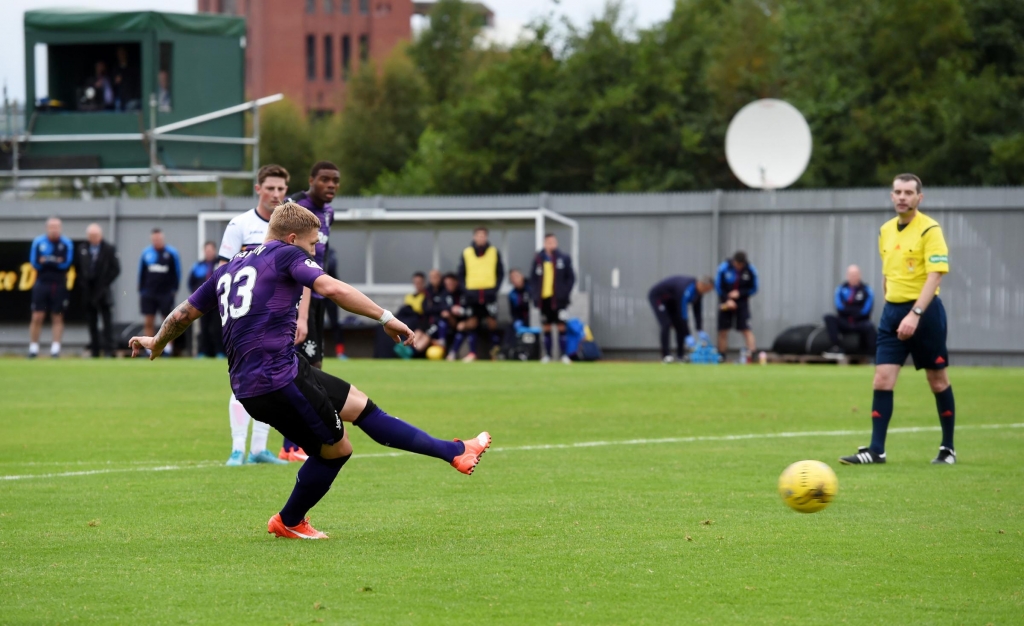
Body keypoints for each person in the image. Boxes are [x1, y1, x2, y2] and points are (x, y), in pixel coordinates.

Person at [127, 202, 491, 539]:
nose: (315, 250)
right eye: (313, 243)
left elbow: (182, 315)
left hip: (270, 374)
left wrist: (156, 342)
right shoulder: (287, 254)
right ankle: (289, 521)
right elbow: (330, 288)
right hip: (278, 381)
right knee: (336, 451)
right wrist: (386, 316)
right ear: (291, 239)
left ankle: (455, 451)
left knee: (360, 406)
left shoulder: (231, 266)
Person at [841, 174, 956, 466]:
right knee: (881, 378)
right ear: (892, 196)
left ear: (920, 197)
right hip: (892, 313)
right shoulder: (885, 230)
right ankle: (876, 450)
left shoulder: (930, 228)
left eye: (908, 192)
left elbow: (936, 274)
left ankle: (947, 449)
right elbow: (887, 273)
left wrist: (915, 313)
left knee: (937, 380)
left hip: (925, 313)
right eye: (897, 192)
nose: (902, 197)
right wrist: (891, 306)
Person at [217, 164, 290, 466]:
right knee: (244, 380)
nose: (276, 194)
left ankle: (259, 448)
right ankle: (237, 449)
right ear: (258, 189)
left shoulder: (291, 223)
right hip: (245, 319)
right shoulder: (240, 225)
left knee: (276, 381)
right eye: (270, 188)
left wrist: (300, 316)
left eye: (281, 189)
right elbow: (222, 271)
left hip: (281, 317)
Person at [285, 161, 339, 459]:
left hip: (316, 299)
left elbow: (322, 258)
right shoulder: (295, 206)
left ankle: (304, 440)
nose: (331, 185)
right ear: (311, 180)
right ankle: (290, 445)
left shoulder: (329, 213)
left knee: (315, 366)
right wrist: (301, 315)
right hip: (296, 300)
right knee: (297, 369)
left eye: (335, 181)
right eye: (325, 180)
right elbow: (295, 257)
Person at [455, 226, 504, 361]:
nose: (481, 238)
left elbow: (500, 273)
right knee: (472, 323)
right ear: (474, 237)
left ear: (486, 237)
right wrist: (466, 290)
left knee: (492, 323)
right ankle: (472, 353)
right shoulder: (467, 252)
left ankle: (495, 353)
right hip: (472, 294)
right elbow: (461, 274)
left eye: (483, 235)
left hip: (489, 294)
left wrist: (495, 289)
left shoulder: (494, 252)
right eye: (478, 235)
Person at [28, 218, 73, 358]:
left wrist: (48, 260)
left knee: (57, 316)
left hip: (58, 284)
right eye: (51, 227)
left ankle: (55, 349)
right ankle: (33, 348)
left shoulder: (66, 243)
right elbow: (35, 263)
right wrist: (54, 260)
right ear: (47, 228)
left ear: (60, 228)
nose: (54, 229)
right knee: (37, 316)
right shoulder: (38, 242)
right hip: (42, 282)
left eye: (56, 227)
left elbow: (65, 264)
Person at [529, 233, 576, 364]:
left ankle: (564, 355)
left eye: (553, 242)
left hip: (560, 300)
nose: (551, 245)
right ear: (544, 243)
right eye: (548, 242)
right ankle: (547, 355)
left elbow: (571, 278)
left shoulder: (564, 258)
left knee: (561, 326)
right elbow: (533, 279)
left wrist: (564, 293)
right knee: (547, 327)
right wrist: (535, 295)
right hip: (544, 300)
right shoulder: (538, 259)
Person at [76, 223, 120, 358]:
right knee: (91, 323)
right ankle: (95, 350)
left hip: (103, 292)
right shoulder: (81, 248)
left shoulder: (109, 249)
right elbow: (77, 269)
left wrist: (104, 284)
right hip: (88, 292)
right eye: (91, 235)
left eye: (96, 235)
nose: (93, 238)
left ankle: (109, 350)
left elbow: (116, 269)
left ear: (101, 235)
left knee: (107, 322)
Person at [648, 275, 715, 363]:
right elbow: (682, 313)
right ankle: (666, 355)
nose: (707, 292)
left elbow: (697, 312)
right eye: (707, 289)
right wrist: (688, 335)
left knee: (679, 326)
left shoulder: (699, 294)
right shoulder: (686, 289)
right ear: (701, 284)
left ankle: (680, 355)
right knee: (666, 324)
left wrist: (699, 329)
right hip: (659, 297)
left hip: (672, 301)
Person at [138, 229, 181, 356]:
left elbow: (177, 272)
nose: (157, 241)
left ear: (162, 239)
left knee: (168, 322)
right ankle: (148, 349)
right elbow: (141, 273)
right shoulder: (146, 253)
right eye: (155, 239)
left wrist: (174, 290)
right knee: (148, 321)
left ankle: (168, 349)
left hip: (166, 293)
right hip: (149, 293)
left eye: (159, 239)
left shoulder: (171, 253)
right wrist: (142, 290)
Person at [823, 265, 876, 358]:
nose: (853, 277)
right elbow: (839, 307)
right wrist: (854, 310)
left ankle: (872, 355)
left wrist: (851, 310)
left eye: (855, 274)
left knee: (870, 327)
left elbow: (866, 310)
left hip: (860, 322)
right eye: (851, 274)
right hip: (845, 321)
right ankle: (836, 348)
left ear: (860, 275)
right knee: (829, 318)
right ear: (847, 276)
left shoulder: (867, 290)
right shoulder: (840, 289)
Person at [715, 251, 759, 361]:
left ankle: (752, 354)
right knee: (723, 330)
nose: (739, 266)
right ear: (734, 261)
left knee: (746, 329)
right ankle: (721, 356)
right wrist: (727, 300)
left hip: (742, 302)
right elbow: (718, 286)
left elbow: (754, 288)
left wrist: (740, 293)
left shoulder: (750, 269)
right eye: (737, 264)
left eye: (741, 264)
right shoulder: (724, 267)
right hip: (725, 300)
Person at [188, 242, 224, 358]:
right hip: (203, 304)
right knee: (204, 328)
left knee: (217, 328)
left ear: (215, 250)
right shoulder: (198, 266)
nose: (209, 252)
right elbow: (191, 283)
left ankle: (220, 352)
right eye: (206, 250)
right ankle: (203, 352)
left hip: (218, 303)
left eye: (211, 250)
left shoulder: (221, 264)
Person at [441, 272, 468, 359]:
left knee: (460, 332)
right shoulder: (444, 294)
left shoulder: (464, 293)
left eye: (451, 283)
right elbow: (440, 307)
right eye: (447, 284)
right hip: (450, 322)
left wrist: (460, 310)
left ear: (456, 282)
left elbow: (469, 309)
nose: (449, 286)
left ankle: (453, 353)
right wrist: (450, 309)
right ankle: (442, 344)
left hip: (463, 322)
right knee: (442, 323)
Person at [423, 269, 449, 348]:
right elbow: (426, 308)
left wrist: (434, 308)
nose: (434, 279)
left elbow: (446, 307)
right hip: (428, 320)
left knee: (426, 335)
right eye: (432, 277)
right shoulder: (427, 291)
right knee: (418, 332)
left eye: (436, 277)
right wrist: (438, 309)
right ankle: (408, 348)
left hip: (439, 321)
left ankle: (412, 351)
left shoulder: (445, 291)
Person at [112, 46, 140, 111]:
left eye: (122, 53)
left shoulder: (133, 68)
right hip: (119, 101)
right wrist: (115, 81)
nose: (121, 56)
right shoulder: (115, 69)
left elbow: (137, 83)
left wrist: (135, 97)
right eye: (119, 54)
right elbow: (112, 85)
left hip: (131, 100)